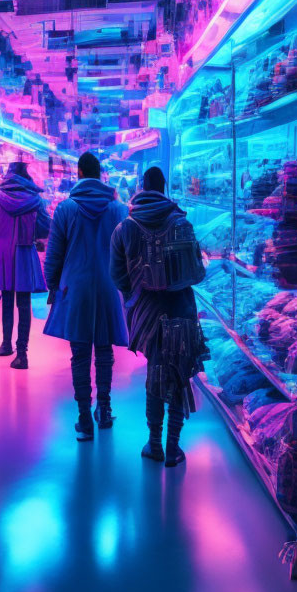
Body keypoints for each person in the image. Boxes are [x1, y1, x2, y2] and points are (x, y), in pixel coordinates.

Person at [110, 166, 208, 467]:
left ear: (142, 186)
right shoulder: (181, 221)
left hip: (147, 313)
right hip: (181, 308)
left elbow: (117, 275)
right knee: (178, 375)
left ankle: (154, 444)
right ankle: (173, 448)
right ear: (163, 187)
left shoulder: (125, 228)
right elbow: (198, 272)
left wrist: (135, 297)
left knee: (155, 373)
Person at [44, 151, 129, 442]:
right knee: (104, 351)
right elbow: (126, 254)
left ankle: (83, 419)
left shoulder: (66, 209)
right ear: (100, 174)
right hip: (108, 288)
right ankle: (104, 410)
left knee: (79, 355)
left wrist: (52, 286)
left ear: (80, 173)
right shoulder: (118, 210)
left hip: (75, 289)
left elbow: (54, 255)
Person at [0, 160, 51, 370]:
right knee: (24, 303)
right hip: (25, 251)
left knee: (7, 300)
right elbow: (45, 228)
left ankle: (6, 344)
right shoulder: (36, 200)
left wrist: (0, 232)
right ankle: (22, 354)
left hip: (3, 252)